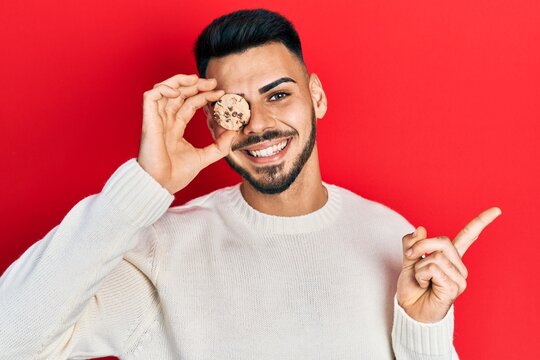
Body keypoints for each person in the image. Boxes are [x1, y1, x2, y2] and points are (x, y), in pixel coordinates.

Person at [0, 8, 501, 360]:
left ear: (317, 96)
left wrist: (424, 329)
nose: (257, 125)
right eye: (231, 108)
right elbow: (10, 340)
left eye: (278, 95)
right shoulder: (161, 249)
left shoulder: (389, 238)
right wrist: (140, 189)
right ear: (213, 122)